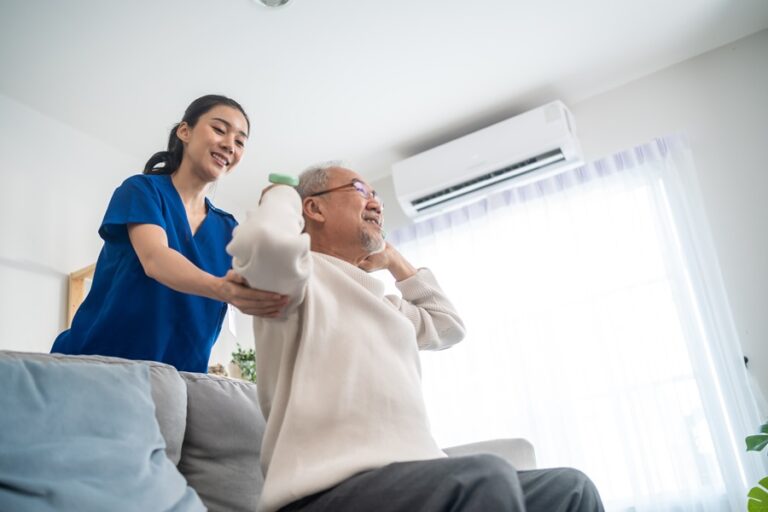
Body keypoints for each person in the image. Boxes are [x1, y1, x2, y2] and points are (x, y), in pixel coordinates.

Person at [226, 161, 605, 512]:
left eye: (376, 195)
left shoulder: (385, 304)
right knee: (484, 478)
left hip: (409, 482)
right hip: (321, 493)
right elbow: (265, 243)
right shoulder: (296, 282)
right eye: (361, 189)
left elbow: (447, 326)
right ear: (315, 208)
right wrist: (283, 196)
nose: (376, 201)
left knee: (571, 489)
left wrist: (391, 258)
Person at [51, 95, 288, 373]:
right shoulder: (143, 190)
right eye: (220, 130)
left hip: (176, 379)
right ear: (184, 131)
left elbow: (264, 283)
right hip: (96, 364)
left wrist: (277, 219)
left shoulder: (230, 230)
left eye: (239, 141)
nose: (229, 145)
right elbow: (156, 259)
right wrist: (221, 288)